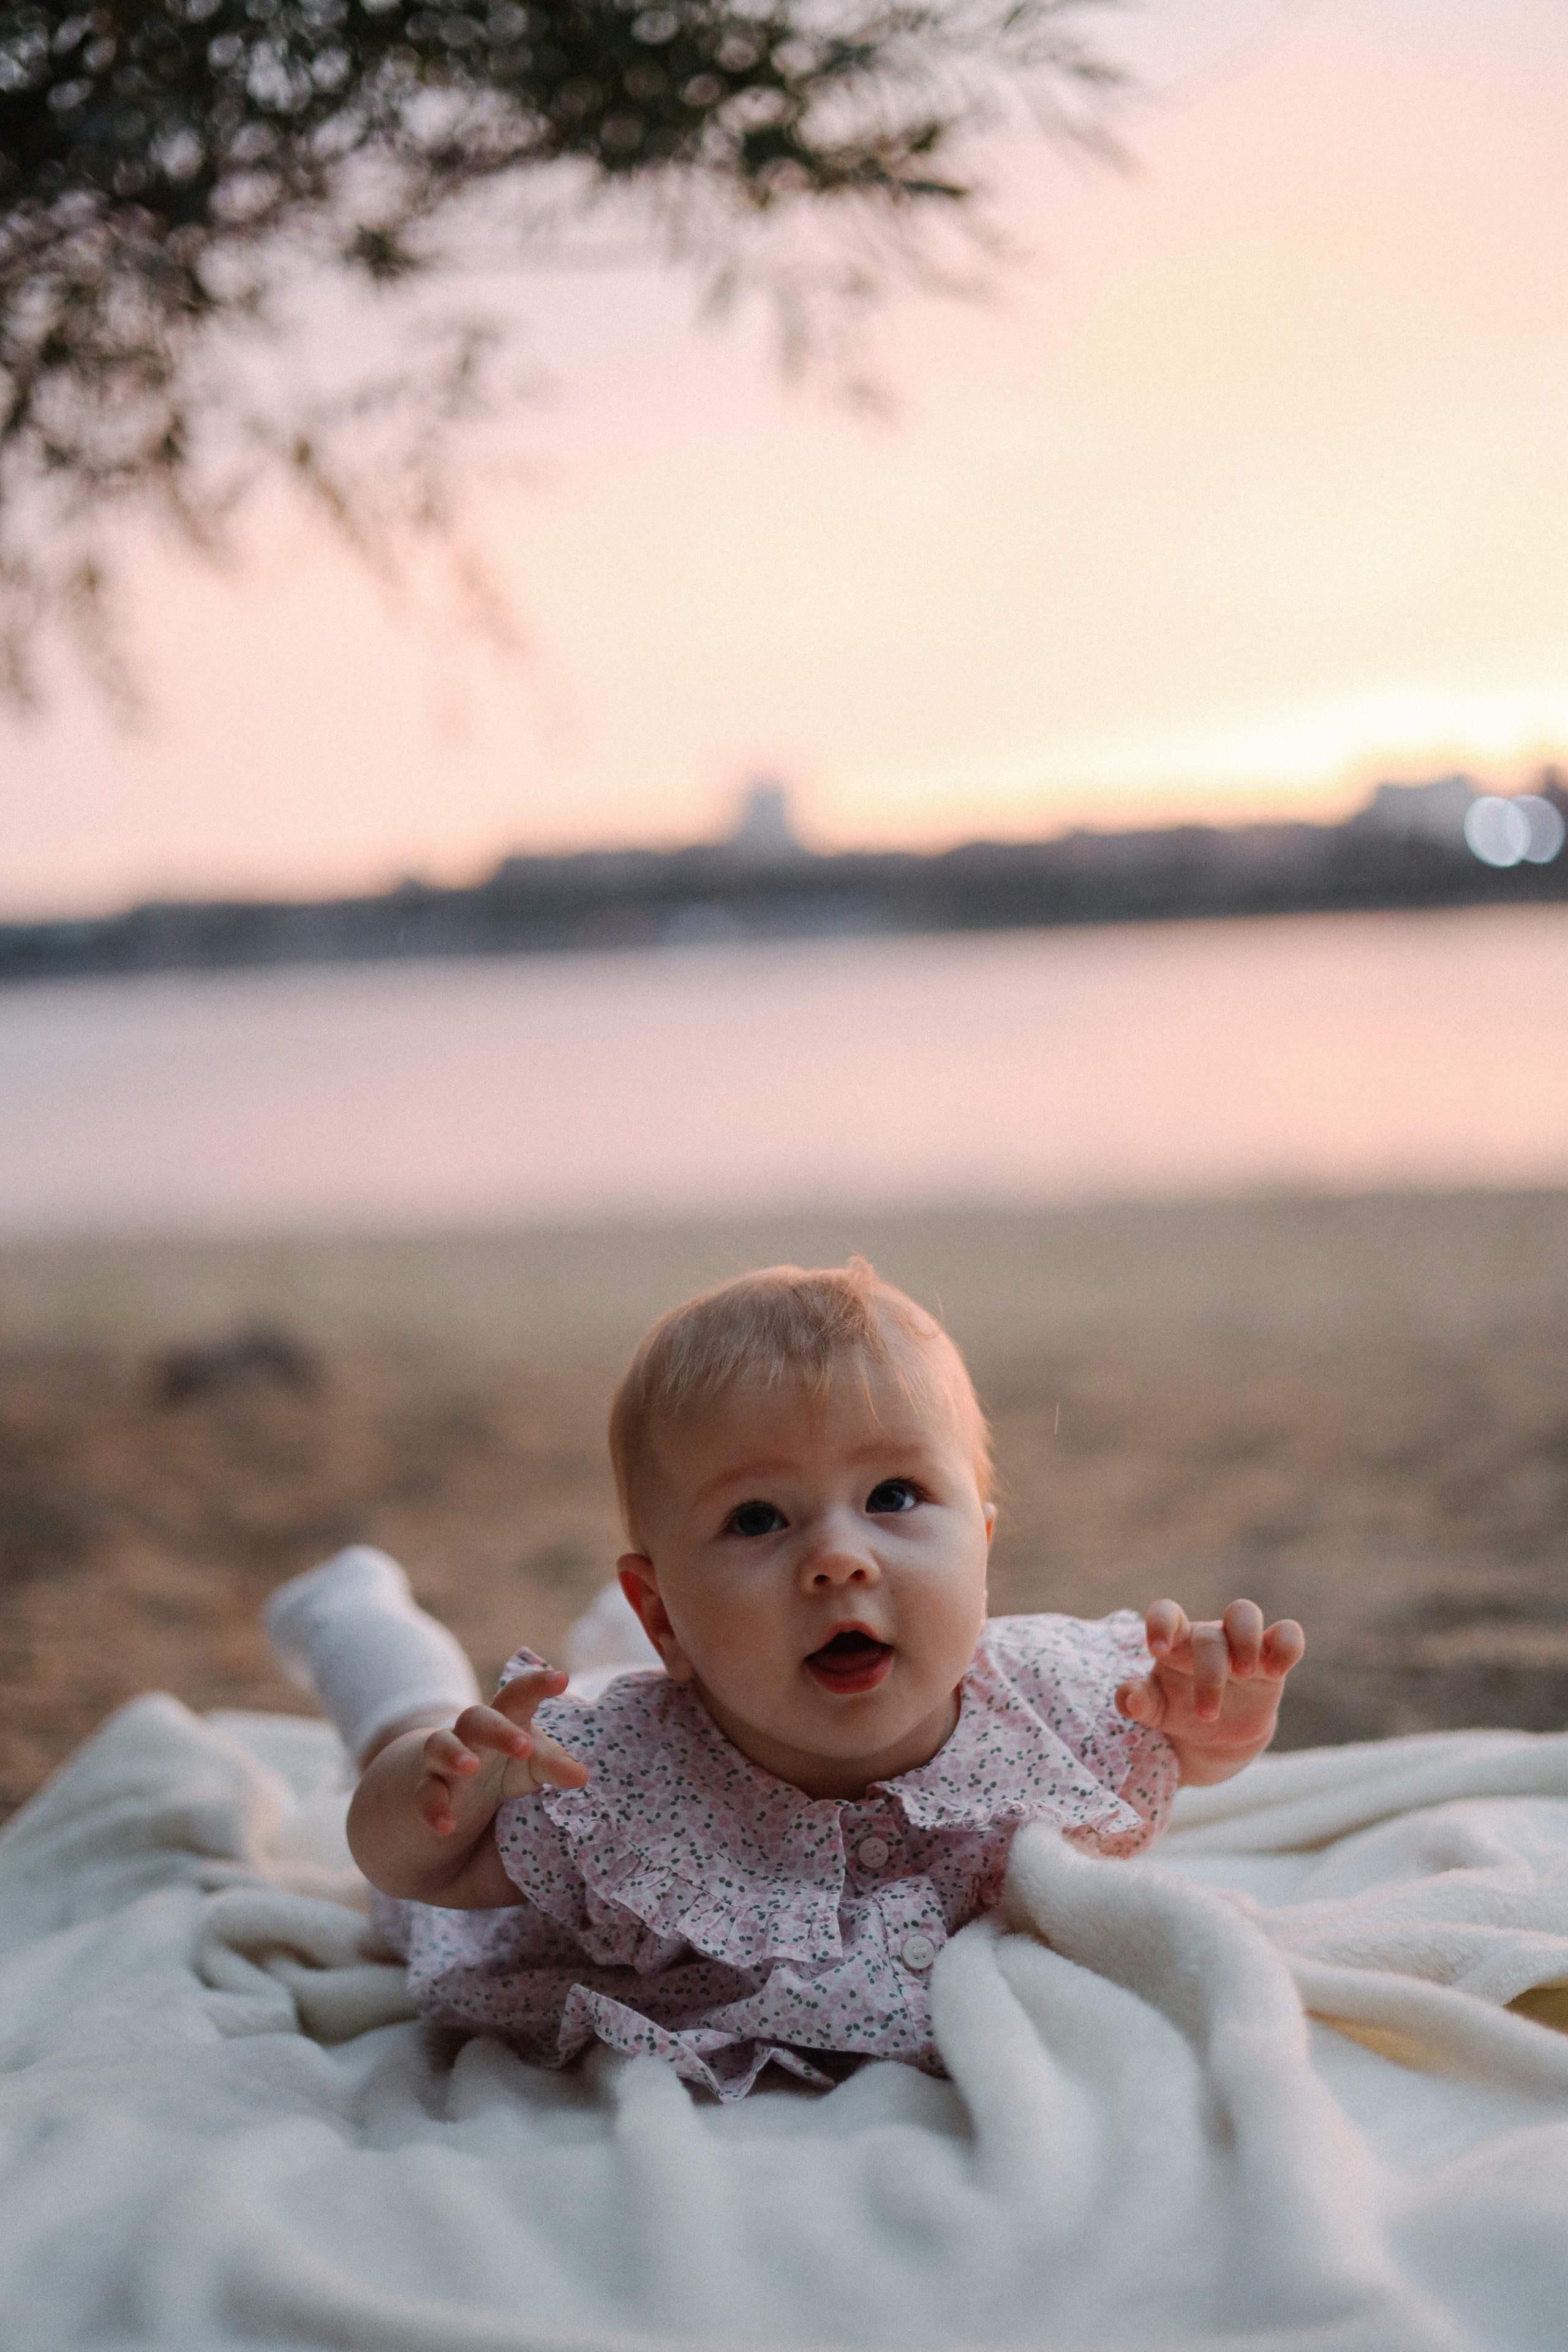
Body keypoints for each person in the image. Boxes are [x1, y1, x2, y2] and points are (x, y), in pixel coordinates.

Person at [268, 1261, 1304, 2100]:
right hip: (648, 1716)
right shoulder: (605, 1777)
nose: (839, 1557)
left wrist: (1224, 1711)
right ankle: (355, 1616)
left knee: (678, 1659)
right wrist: (437, 1790)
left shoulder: (1054, 1692)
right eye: (760, 1518)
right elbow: (419, 1869)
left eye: (895, 1494)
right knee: (424, 1722)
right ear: (665, 1609)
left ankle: (628, 1621)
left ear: (984, 1547)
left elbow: (1185, 1753)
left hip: (709, 1656)